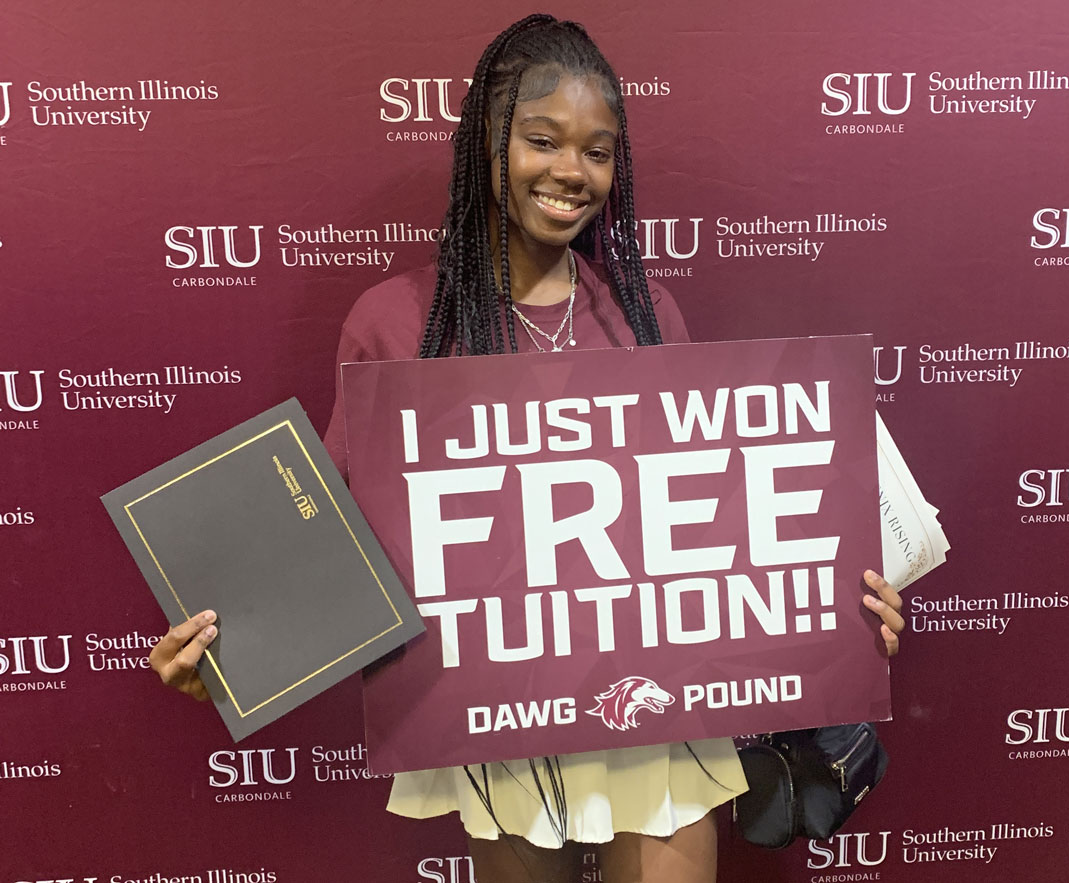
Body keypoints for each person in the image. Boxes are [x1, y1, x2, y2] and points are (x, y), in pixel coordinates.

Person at [149, 14, 905, 882]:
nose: (571, 173)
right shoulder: (396, 324)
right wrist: (234, 659)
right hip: (494, 712)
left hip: (652, 708)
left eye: (598, 150)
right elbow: (339, 548)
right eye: (542, 140)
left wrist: (830, 612)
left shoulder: (647, 313)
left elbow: (718, 531)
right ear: (485, 145)